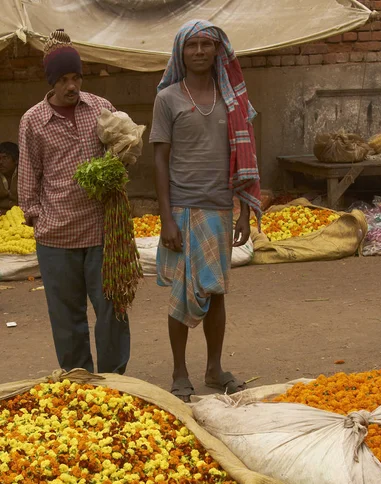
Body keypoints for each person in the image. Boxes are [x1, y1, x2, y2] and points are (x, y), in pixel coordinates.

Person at [150, 19, 261, 402]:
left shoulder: (232, 100)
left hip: (219, 208)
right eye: (191, 45)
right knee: (181, 295)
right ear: (180, 54)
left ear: (217, 51)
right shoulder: (167, 99)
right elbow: (160, 161)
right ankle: (180, 372)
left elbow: (245, 158)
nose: (198, 51)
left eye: (205, 44)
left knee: (216, 292)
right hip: (181, 209)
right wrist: (166, 219)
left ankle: (214, 369)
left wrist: (245, 212)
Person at [18, 29, 130, 374]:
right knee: (67, 318)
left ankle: (113, 379)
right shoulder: (33, 121)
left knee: (113, 307)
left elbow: (124, 146)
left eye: (76, 77)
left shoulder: (100, 108)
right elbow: (27, 180)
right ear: (51, 81)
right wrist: (39, 219)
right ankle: (79, 379)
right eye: (64, 79)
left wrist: (124, 153)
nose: (72, 86)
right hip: (57, 237)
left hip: (101, 230)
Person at [0, 142, 19, 215]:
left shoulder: (23, 175)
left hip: (20, 217)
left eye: (5, 158)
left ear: (16, 160)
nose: (0, 162)